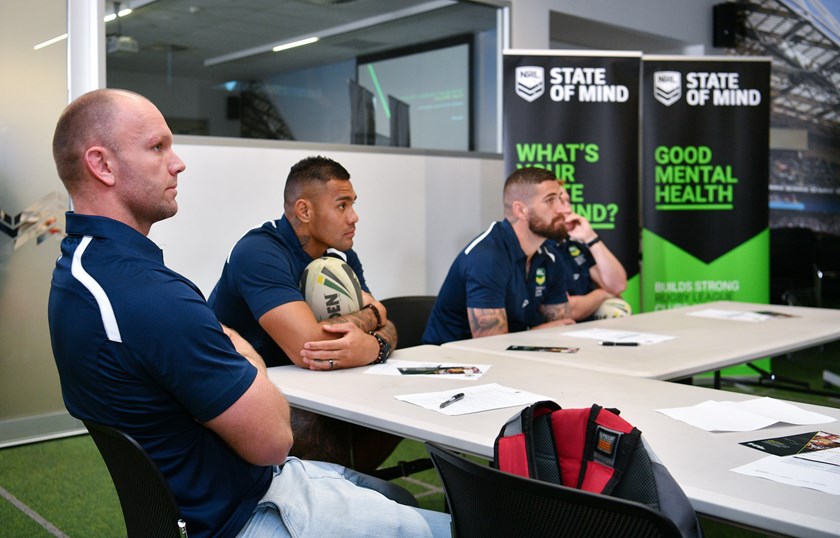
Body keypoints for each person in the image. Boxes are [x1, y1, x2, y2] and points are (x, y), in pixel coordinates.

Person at [47, 88, 449, 538]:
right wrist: (248, 356)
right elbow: (275, 440)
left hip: (222, 488)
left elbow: (377, 314)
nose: (178, 163)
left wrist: (369, 334)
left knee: (401, 498)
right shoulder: (150, 294)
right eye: (157, 147)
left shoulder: (81, 272)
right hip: (245, 511)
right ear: (102, 165)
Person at [208, 155, 400, 472]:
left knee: (393, 400)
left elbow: (383, 319)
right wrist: (373, 334)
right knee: (313, 425)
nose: (354, 217)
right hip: (241, 394)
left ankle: (351, 485)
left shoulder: (341, 255)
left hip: (310, 385)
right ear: (304, 211)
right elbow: (309, 348)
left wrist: (374, 344)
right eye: (342, 205)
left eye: (353, 204)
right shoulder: (259, 251)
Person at [422, 166, 574, 345]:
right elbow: (492, 346)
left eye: (561, 199)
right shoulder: (486, 257)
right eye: (550, 200)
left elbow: (561, 327)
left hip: (513, 359)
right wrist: (540, 333)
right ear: (521, 210)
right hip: (450, 363)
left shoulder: (550, 256)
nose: (564, 209)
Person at [556, 185, 628, 321]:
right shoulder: (539, 250)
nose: (569, 209)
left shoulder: (574, 245)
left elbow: (617, 285)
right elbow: (565, 310)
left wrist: (590, 238)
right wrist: (600, 294)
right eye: (561, 202)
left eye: (569, 202)